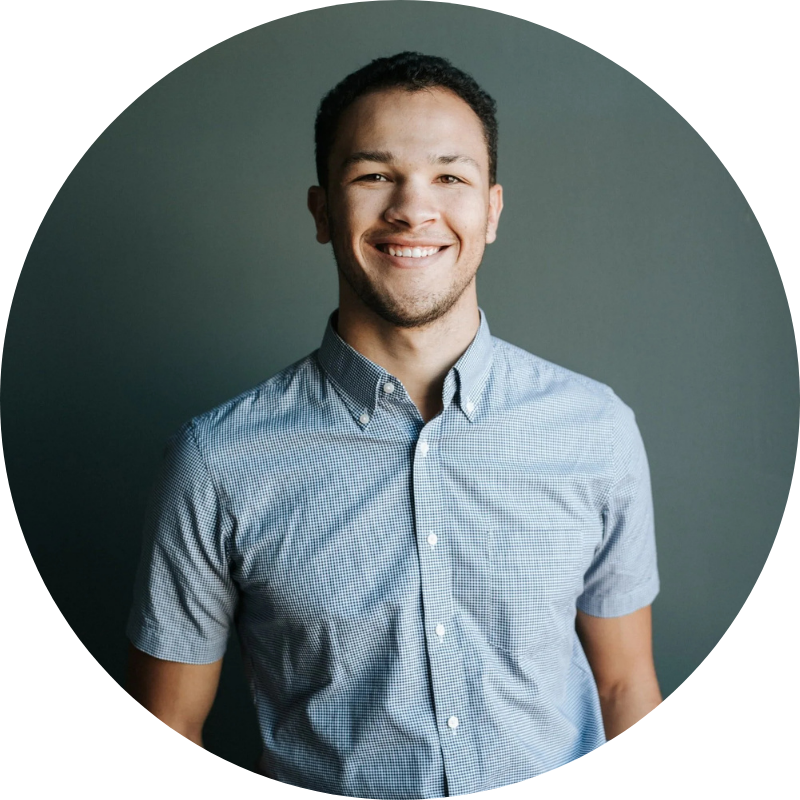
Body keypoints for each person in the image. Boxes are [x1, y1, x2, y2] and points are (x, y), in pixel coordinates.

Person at [125, 51, 662, 796]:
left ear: (492, 211)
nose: (413, 209)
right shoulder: (215, 460)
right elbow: (171, 719)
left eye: (450, 177)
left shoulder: (595, 429)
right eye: (375, 175)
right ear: (322, 212)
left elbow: (625, 688)